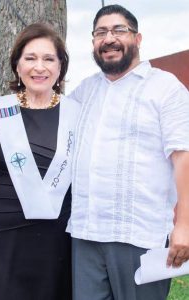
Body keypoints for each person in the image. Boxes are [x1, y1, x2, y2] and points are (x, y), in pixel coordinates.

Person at [68, 4, 189, 300]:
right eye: (100, 32)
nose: (109, 38)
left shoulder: (165, 88)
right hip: (85, 233)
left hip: (140, 235)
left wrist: (184, 225)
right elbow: (45, 116)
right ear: (94, 42)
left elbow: (183, 156)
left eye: (118, 30)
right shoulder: (84, 90)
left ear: (137, 39)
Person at [0, 23, 79, 300]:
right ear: (17, 65)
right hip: (3, 228)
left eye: (49, 59)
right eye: (30, 58)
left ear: (60, 67)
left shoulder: (76, 113)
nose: (40, 67)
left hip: (57, 230)